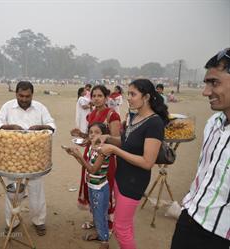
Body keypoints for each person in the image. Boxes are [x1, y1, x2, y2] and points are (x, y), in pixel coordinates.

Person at [96, 79, 169, 249]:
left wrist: (114, 151)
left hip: (134, 182)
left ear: (147, 97)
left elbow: (147, 162)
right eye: (128, 93)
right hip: (121, 178)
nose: (128, 97)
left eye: (133, 94)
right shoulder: (134, 116)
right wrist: (108, 139)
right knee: (125, 226)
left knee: (120, 228)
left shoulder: (155, 123)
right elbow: (126, 143)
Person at [170, 48, 230, 249]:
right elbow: (205, 172)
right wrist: (190, 202)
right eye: (206, 83)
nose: (205, 92)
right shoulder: (213, 123)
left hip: (221, 235)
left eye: (214, 82)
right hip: (189, 219)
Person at [0, 81, 56, 236]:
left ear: (32, 95)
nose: (24, 99)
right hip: (13, 159)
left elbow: (52, 125)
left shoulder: (40, 108)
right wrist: (11, 127)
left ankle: (39, 221)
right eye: (21, 95)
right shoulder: (7, 106)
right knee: (13, 192)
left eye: (27, 96)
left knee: (36, 191)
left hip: (35, 159)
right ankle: (12, 221)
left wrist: (41, 127)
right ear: (16, 94)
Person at [70, 85, 121, 233]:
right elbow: (90, 138)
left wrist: (103, 141)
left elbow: (117, 140)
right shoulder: (91, 114)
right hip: (90, 155)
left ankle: (108, 224)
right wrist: (80, 134)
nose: (96, 99)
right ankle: (96, 220)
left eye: (100, 96)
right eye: (94, 96)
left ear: (106, 97)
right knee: (91, 187)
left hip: (106, 157)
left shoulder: (112, 115)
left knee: (105, 188)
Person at [63, 122, 111, 249]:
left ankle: (104, 241)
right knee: (96, 212)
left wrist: (79, 156)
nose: (93, 135)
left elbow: (92, 170)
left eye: (97, 132)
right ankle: (100, 234)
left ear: (104, 135)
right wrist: (74, 155)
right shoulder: (92, 148)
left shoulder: (103, 151)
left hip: (99, 188)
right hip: (92, 186)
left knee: (100, 214)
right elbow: (86, 165)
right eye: (90, 132)